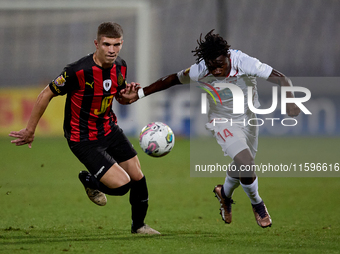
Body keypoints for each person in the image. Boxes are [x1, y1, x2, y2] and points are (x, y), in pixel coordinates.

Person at [122, 30, 300, 228]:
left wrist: (290, 100)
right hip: (221, 120)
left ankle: (224, 193)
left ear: (228, 58)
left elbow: (282, 79)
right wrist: (139, 94)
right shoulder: (200, 69)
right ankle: (257, 204)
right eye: (211, 66)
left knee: (243, 165)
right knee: (246, 162)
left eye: (220, 65)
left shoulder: (244, 62)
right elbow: (172, 79)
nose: (215, 71)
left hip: (249, 119)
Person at [9, 22, 160, 235]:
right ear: (96, 43)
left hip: (109, 129)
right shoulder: (77, 71)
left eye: (116, 45)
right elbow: (46, 93)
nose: (111, 50)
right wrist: (30, 129)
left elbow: (117, 96)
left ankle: (139, 226)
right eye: (107, 44)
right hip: (83, 137)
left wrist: (127, 96)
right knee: (122, 185)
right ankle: (89, 180)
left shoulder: (121, 66)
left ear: (121, 44)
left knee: (137, 176)